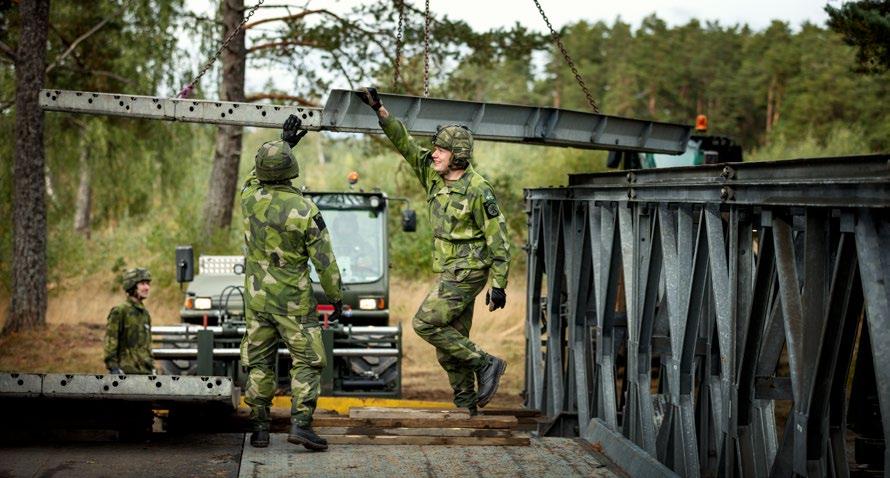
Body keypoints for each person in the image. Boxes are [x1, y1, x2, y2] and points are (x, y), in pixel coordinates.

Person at [357, 87, 511, 415]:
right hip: (450, 269)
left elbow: (498, 238)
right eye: (435, 148)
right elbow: (404, 143)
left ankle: (487, 363)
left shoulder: (478, 188)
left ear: (457, 155)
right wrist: (380, 110)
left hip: (468, 269)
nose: (434, 153)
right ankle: (467, 408)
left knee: (425, 324)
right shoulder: (432, 174)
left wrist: (499, 284)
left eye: (440, 149)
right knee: (449, 345)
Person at [240, 114, 343, 451]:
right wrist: (336, 297)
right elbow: (324, 261)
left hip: (256, 301)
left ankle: (259, 428)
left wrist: (283, 143)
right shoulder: (305, 209)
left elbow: (252, 178)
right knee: (308, 361)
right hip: (294, 303)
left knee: (258, 362)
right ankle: (301, 425)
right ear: (292, 170)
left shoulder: (249, 201)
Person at [104, 268, 154, 375]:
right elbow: (111, 342)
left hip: (145, 373)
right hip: (125, 373)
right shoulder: (120, 311)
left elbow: (147, 346)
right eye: (143, 284)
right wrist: (114, 368)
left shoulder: (145, 314)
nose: (147, 287)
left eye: (148, 284)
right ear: (132, 285)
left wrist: (151, 367)